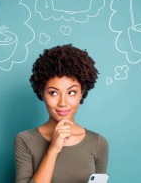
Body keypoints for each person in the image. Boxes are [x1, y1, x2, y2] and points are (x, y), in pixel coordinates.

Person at [14, 44, 109, 183]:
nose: (63, 103)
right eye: (53, 93)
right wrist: (53, 150)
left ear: (82, 93)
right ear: (42, 93)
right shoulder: (25, 140)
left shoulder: (98, 143)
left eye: (71, 92)